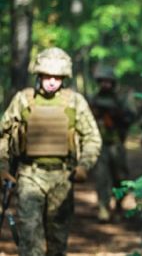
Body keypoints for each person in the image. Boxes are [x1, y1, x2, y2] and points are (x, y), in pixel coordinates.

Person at [0, 47, 101, 255]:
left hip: (63, 177)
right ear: (39, 74)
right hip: (30, 175)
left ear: (64, 77)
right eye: (48, 76)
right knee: (29, 238)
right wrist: (2, 168)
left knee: (58, 240)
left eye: (57, 76)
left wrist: (84, 166)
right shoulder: (23, 99)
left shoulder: (75, 102)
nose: (52, 81)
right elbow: (4, 135)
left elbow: (92, 137)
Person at [89, 65, 134, 222]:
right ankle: (103, 207)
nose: (105, 85)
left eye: (108, 82)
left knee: (120, 177)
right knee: (101, 177)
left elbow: (130, 118)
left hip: (116, 144)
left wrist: (117, 116)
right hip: (100, 144)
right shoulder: (94, 100)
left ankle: (119, 205)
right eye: (103, 82)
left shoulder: (121, 100)